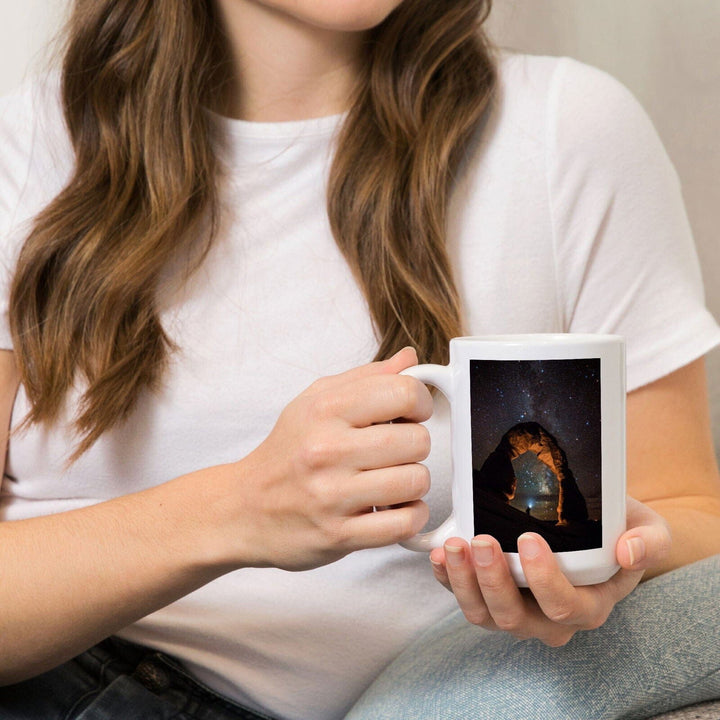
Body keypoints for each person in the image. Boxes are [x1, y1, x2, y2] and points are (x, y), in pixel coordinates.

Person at [0, 1, 718, 719]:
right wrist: (239, 509)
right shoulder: (26, 147)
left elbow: (689, 512)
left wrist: (619, 566)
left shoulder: (570, 131)